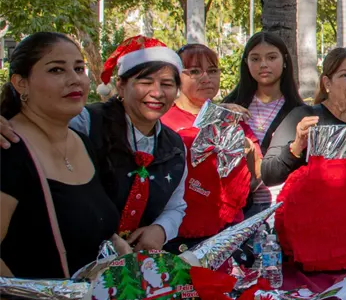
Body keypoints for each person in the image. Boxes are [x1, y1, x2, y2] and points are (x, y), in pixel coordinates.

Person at [0, 33, 130, 300]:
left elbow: (100, 229)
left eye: (79, 68)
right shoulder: (8, 151)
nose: (74, 79)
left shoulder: (83, 142)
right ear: (20, 83)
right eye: (56, 70)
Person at [67, 36, 188, 252]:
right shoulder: (85, 122)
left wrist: (160, 229)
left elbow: (175, 206)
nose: (157, 93)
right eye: (145, 82)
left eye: (167, 84)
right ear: (121, 86)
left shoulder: (175, 146)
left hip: (130, 270)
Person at [160, 44, 252, 252]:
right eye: (194, 71)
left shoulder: (232, 117)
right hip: (178, 234)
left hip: (228, 231)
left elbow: (255, 175)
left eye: (212, 71)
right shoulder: (162, 120)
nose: (205, 78)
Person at [262, 48, 346, 185]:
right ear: (327, 83)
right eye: (345, 75)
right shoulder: (304, 119)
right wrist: (296, 147)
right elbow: (268, 175)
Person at [223, 32, 305, 213]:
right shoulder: (230, 107)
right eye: (255, 58)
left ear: (284, 61)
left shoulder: (299, 111)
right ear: (246, 62)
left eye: (271, 57)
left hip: (282, 206)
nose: (263, 65)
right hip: (236, 209)